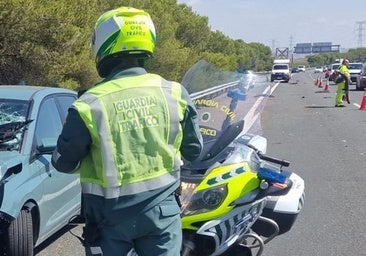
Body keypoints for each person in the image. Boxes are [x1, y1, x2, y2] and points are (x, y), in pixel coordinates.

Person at [51, 6, 203, 256]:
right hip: (162, 215)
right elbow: (193, 151)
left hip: (109, 220)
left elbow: (64, 163)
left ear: (103, 44)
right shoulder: (175, 93)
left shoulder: (89, 104)